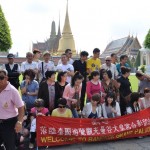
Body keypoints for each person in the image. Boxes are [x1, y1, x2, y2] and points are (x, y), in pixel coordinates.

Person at [0, 69, 24, 150]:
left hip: (9, 124)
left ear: (6, 78)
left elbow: (21, 107)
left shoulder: (13, 91)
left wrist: (20, 122)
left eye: (1, 77)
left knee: (10, 146)